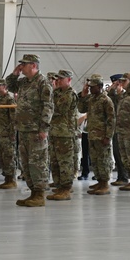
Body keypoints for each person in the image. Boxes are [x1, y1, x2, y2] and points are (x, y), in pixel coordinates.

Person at [6, 54, 53, 207]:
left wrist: (44, 127)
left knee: (37, 162)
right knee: (26, 163)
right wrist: (15, 73)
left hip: (36, 130)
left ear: (33, 65)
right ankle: (33, 192)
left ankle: (40, 194)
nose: (22, 67)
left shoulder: (43, 83)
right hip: (23, 129)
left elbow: (48, 106)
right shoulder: (24, 82)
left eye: (24, 64)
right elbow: (10, 86)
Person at [78, 74, 116, 195]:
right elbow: (81, 109)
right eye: (90, 87)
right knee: (95, 160)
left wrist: (108, 136)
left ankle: (105, 184)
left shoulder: (106, 100)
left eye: (93, 87)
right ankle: (99, 181)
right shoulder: (90, 99)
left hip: (102, 135)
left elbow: (111, 120)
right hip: (92, 134)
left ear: (100, 86)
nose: (90, 88)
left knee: (104, 160)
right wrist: (83, 95)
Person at [48, 70, 79, 200]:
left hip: (65, 133)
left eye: (61, 79)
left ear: (69, 80)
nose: (58, 81)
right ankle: (59, 185)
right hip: (55, 132)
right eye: (57, 79)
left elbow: (57, 109)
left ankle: (66, 188)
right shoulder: (56, 93)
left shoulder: (70, 94)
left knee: (65, 162)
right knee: (55, 161)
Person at [0, 79, 18, 189]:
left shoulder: (9, 99)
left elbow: (13, 118)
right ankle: (7, 179)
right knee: (2, 157)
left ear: (5, 86)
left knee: (9, 156)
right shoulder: (0, 98)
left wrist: (12, 132)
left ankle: (12, 179)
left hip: (7, 133)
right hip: (0, 132)